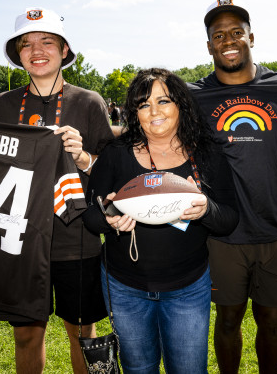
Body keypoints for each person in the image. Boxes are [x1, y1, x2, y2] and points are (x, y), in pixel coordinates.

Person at [0, 7, 113, 374]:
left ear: (64, 50)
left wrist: (83, 159)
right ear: (18, 55)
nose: (37, 50)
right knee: (27, 335)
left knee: (83, 334)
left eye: (47, 41)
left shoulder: (89, 101)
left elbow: (111, 172)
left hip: (76, 239)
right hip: (17, 241)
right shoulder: (3, 104)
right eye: (26, 44)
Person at [82, 68, 239, 373]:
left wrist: (206, 209)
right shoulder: (116, 154)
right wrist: (110, 218)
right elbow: (91, 215)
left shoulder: (206, 154)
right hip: (125, 286)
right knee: (139, 369)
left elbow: (229, 219)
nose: (154, 111)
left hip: (188, 287)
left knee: (189, 370)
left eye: (163, 101)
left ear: (181, 105)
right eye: (143, 105)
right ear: (134, 113)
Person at [187, 0, 277, 374]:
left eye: (236, 32)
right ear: (209, 45)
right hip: (224, 230)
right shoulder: (194, 95)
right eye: (219, 34)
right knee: (227, 321)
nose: (228, 40)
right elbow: (153, 134)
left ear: (251, 37)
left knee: (273, 322)